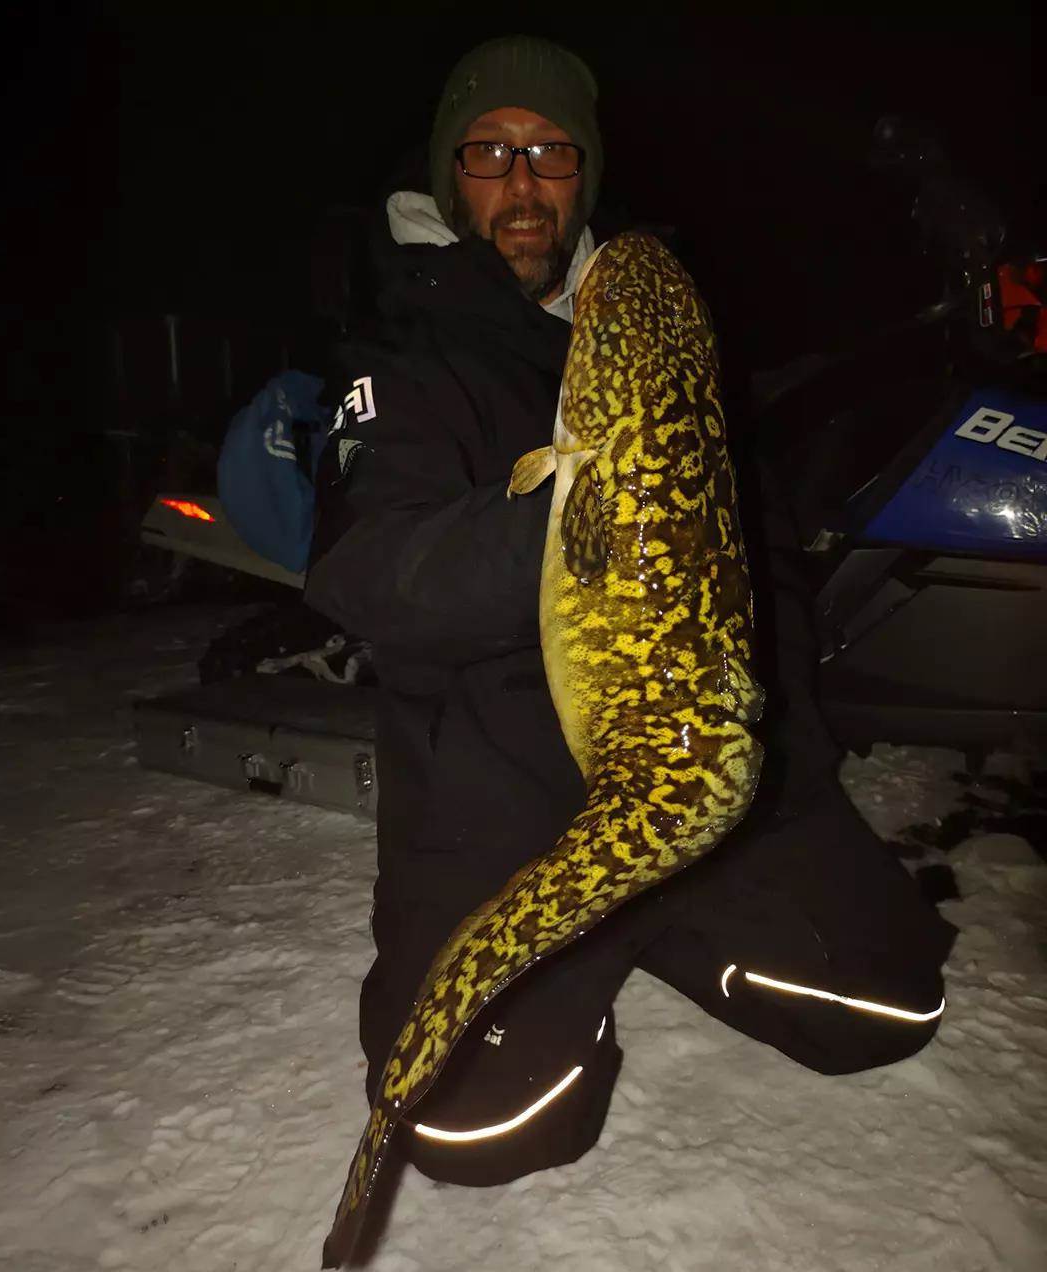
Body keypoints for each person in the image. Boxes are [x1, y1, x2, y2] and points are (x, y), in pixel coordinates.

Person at [304, 34, 956, 1189]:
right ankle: (590, 923)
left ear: (583, 174)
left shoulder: (656, 333)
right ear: (453, 174)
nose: (521, 178)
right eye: (492, 150)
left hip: (690, 765)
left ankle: (655, 905)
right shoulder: (396, 356)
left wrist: (771, 753)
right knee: (471, 1127)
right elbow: (371, 575)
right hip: (498, 787)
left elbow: (760, 573)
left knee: (893, 1004)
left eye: (550, 152)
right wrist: (583, 521)